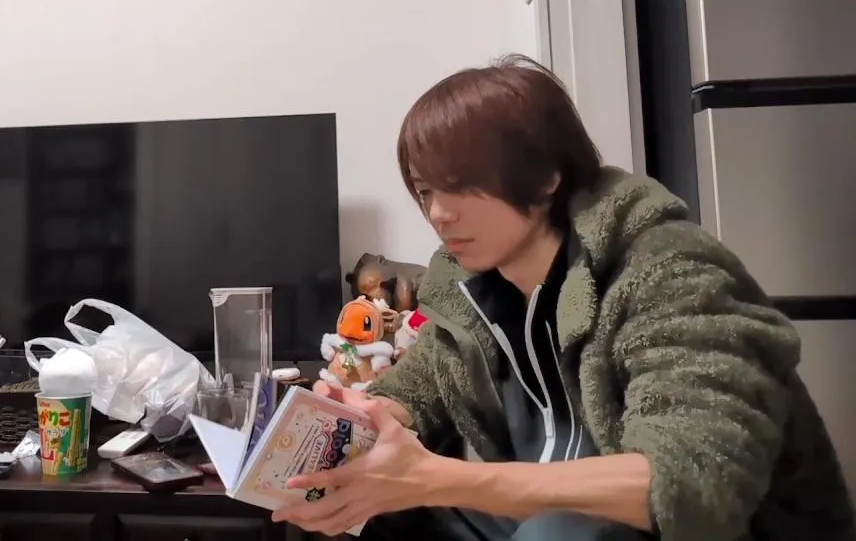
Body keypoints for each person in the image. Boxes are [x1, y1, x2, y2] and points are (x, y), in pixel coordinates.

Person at [272, 55, 855, 540]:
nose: (439, 213)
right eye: (425, 191)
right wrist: (358, 418)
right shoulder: (469, 287)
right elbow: (418, 388)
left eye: (462, 185)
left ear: (547, 175)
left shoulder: (667, 268)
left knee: (562, 531)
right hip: (538, 520)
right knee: (370, 513)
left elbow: (690, 481)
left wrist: (431, 478)